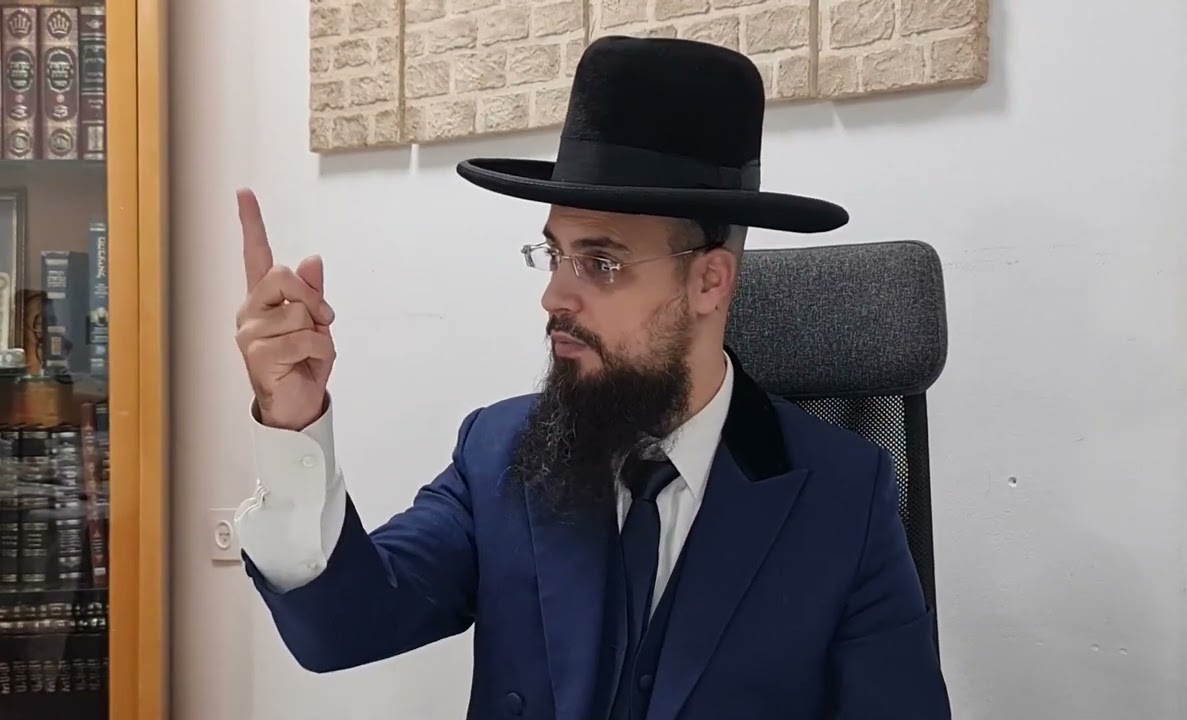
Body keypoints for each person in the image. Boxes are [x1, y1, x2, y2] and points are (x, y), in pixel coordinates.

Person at [232, 35, 951, 720]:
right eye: (555, 255)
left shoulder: (843, 498)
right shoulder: (500, 452)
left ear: (709, 281)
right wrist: (295, 422)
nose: (554, 297)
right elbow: (341, 629)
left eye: (601, 263)